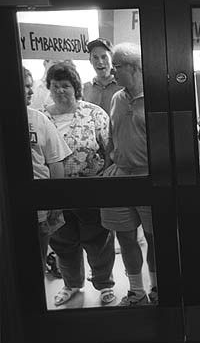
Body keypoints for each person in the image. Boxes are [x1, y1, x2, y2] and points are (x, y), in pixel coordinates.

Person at [41, 62, 116, 306]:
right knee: (63, 242)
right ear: (49, 88)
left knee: (99, 241)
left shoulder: (95, 114)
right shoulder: (43, 117)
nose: (60, 90)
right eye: (55, 86)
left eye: (66, 85)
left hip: (90, 190)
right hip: (55, 192)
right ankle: (71, 284)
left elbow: (110, 151)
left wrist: (106, 180)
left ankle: (104, 285)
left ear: (76, 87)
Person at [99, 42, 158, 306]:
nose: (112, 72)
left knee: (155, 236)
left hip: (151, 177)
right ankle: (136, 292)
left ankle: (158, 288)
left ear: (134, 67)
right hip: (120, 176)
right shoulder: (116, 98)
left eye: (117, 67)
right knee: (124, 236)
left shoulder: (158, 96)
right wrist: (110, 163)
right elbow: (112, 134)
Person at [23, 67, 72, 274]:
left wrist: (56, 203)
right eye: (25, 86)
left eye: (30, 85)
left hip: (39, 211)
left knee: (37, 267)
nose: (31, 91)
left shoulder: (39, 120)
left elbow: (55, 163)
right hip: (10, 211)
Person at [82, 38, 122, 115]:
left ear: (112, 59)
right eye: (95, 57)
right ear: (90, 60)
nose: (100, 62)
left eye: (104, 57)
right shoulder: (85, 89)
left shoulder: (123, 86)